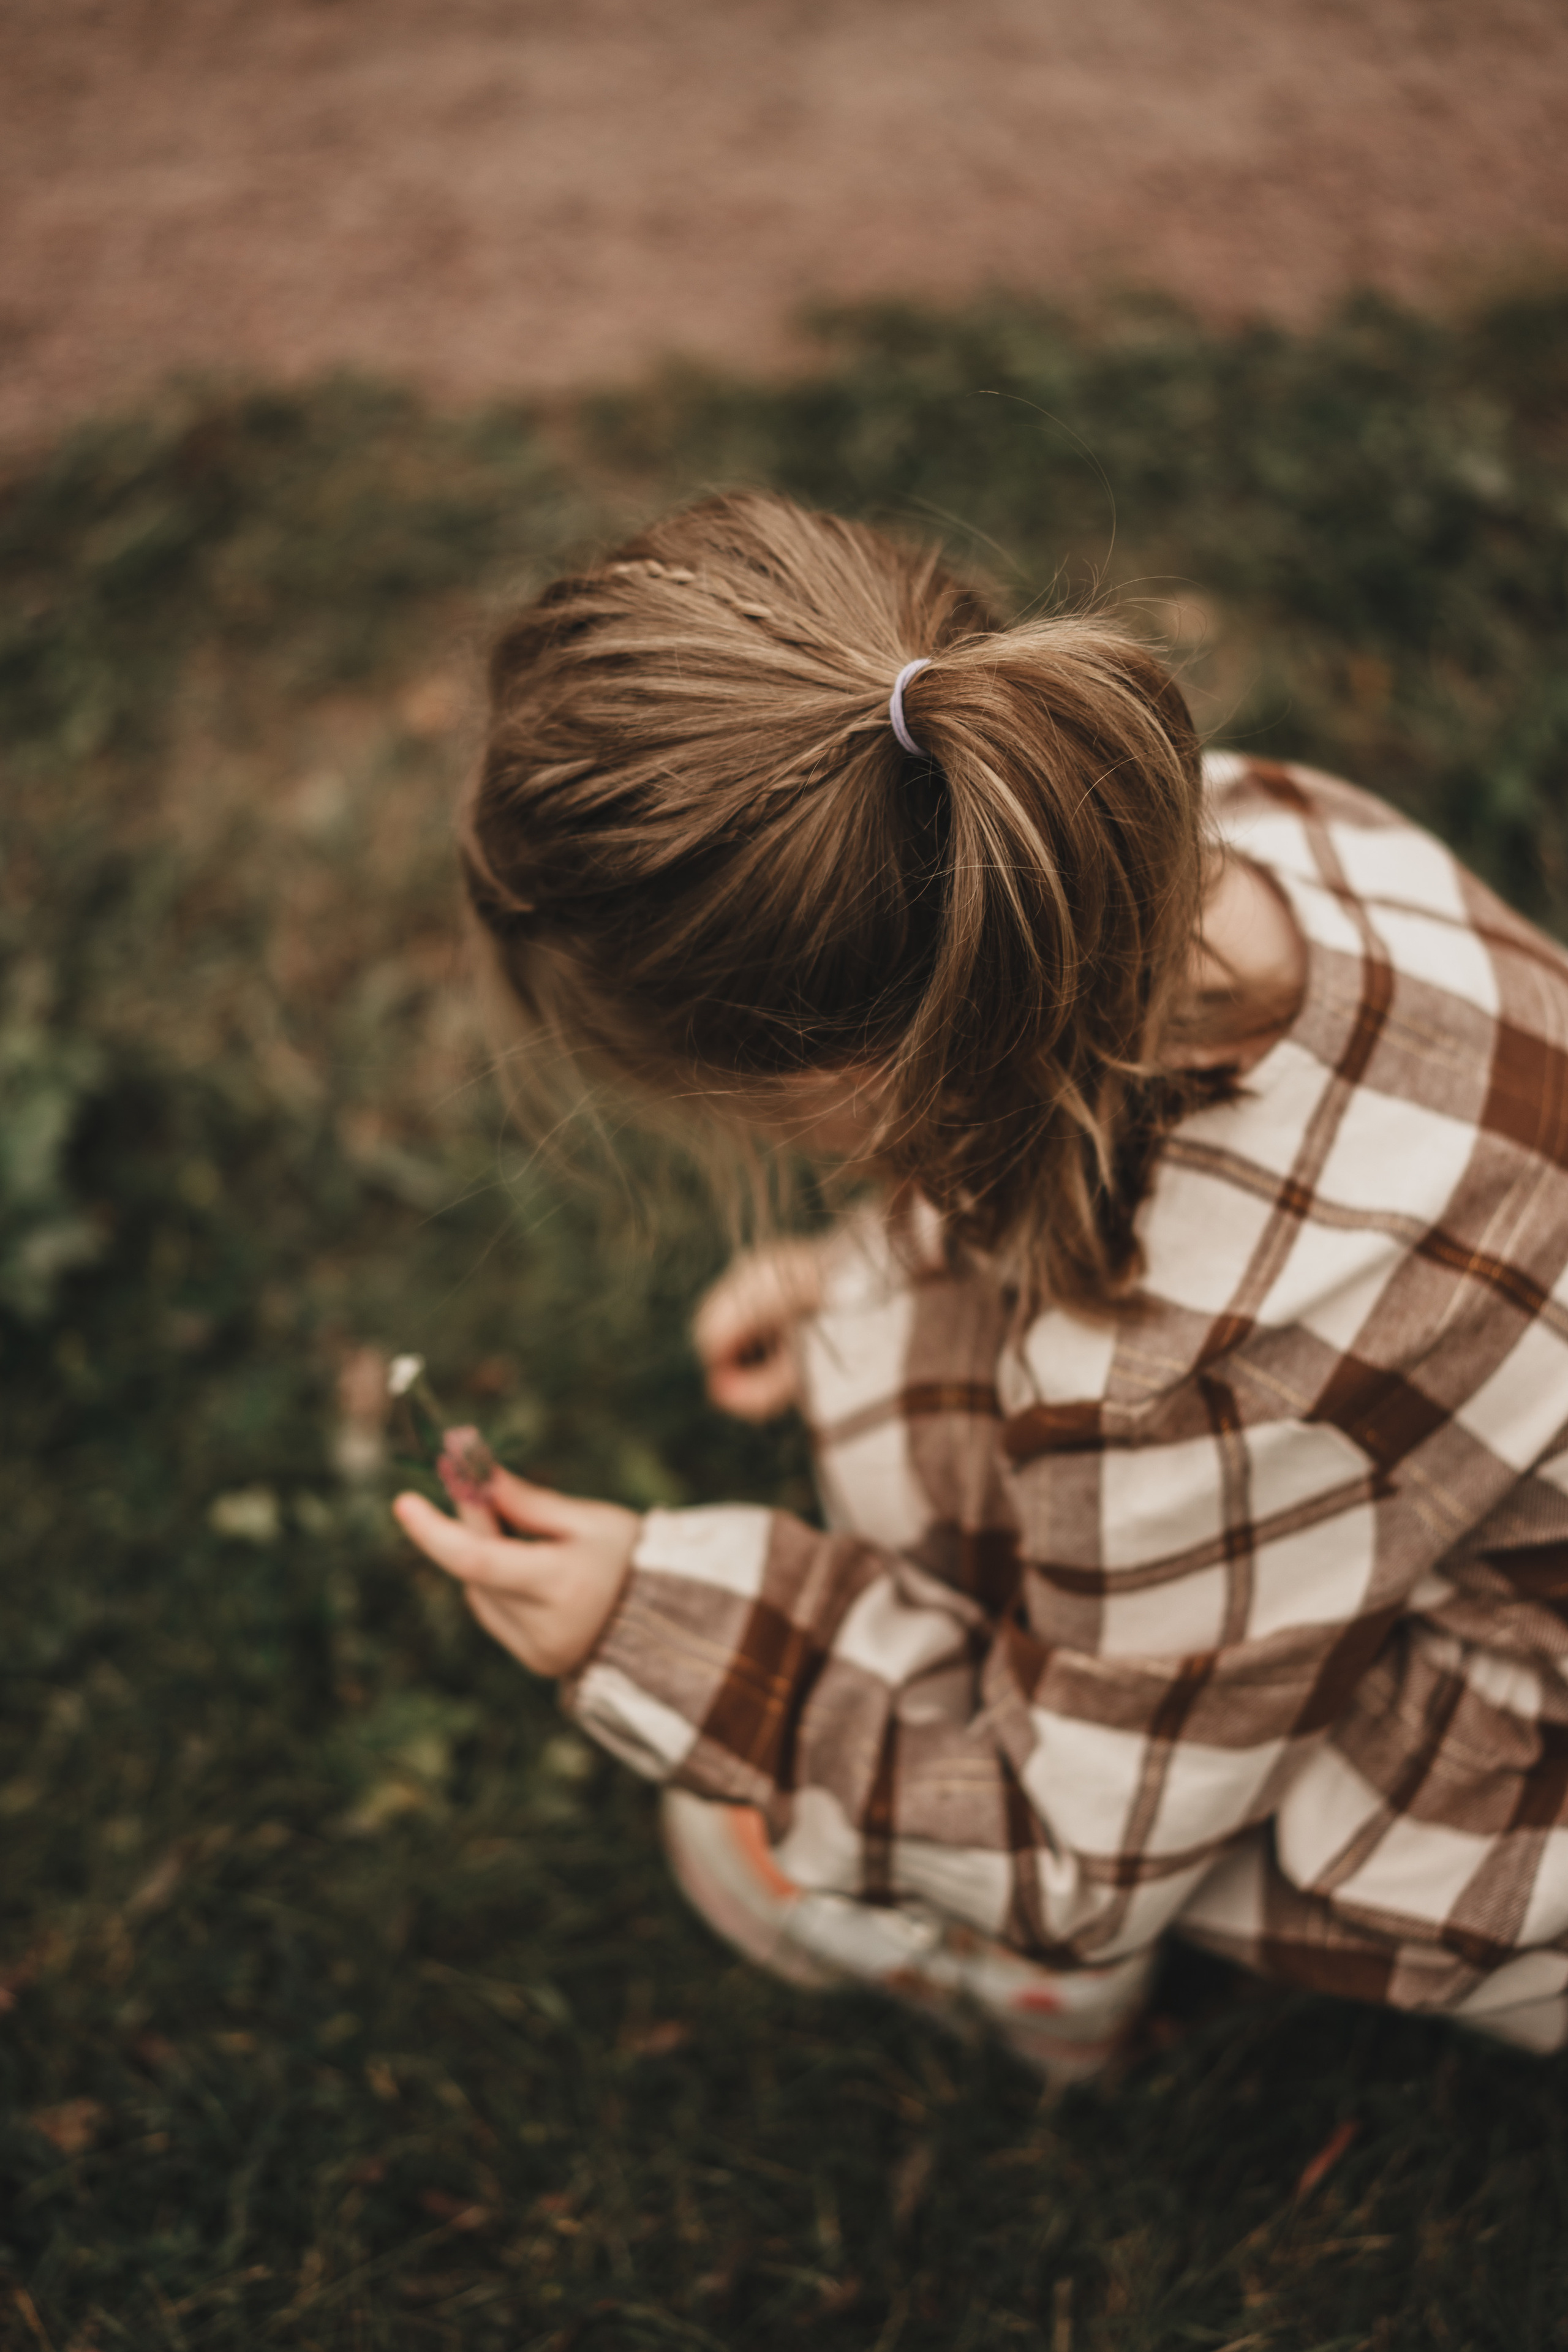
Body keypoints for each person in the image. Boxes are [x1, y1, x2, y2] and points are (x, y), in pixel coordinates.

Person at [394, 489, 1568, 2079]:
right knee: (921, 1373)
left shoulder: (1181, 1368)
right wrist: (843, 1277)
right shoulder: (1224, 822)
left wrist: (668, 1629)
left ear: (827, 1092)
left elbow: (1074, 1854)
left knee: (1083, 1781)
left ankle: (1016, 1990)